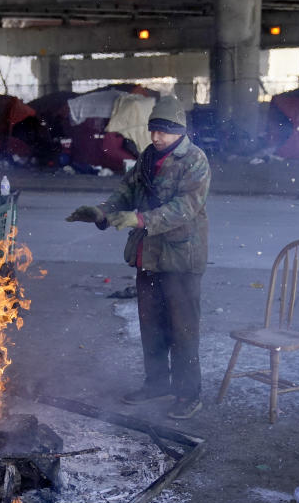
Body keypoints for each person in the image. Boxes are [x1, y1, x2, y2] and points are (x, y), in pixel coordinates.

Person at [66, 94, 210, 420]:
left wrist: (140, 219)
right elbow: (127, 191)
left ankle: (189, 394)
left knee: (183, 330)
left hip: (181, 259)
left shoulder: (195, 161)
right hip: (148, 257)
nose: (156, 137)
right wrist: (103, 212)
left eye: (164, 132)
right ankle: (157, 383)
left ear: (179, 131)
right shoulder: (147, 156)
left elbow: (186, 208)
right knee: (152, 326)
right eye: (153, 130)